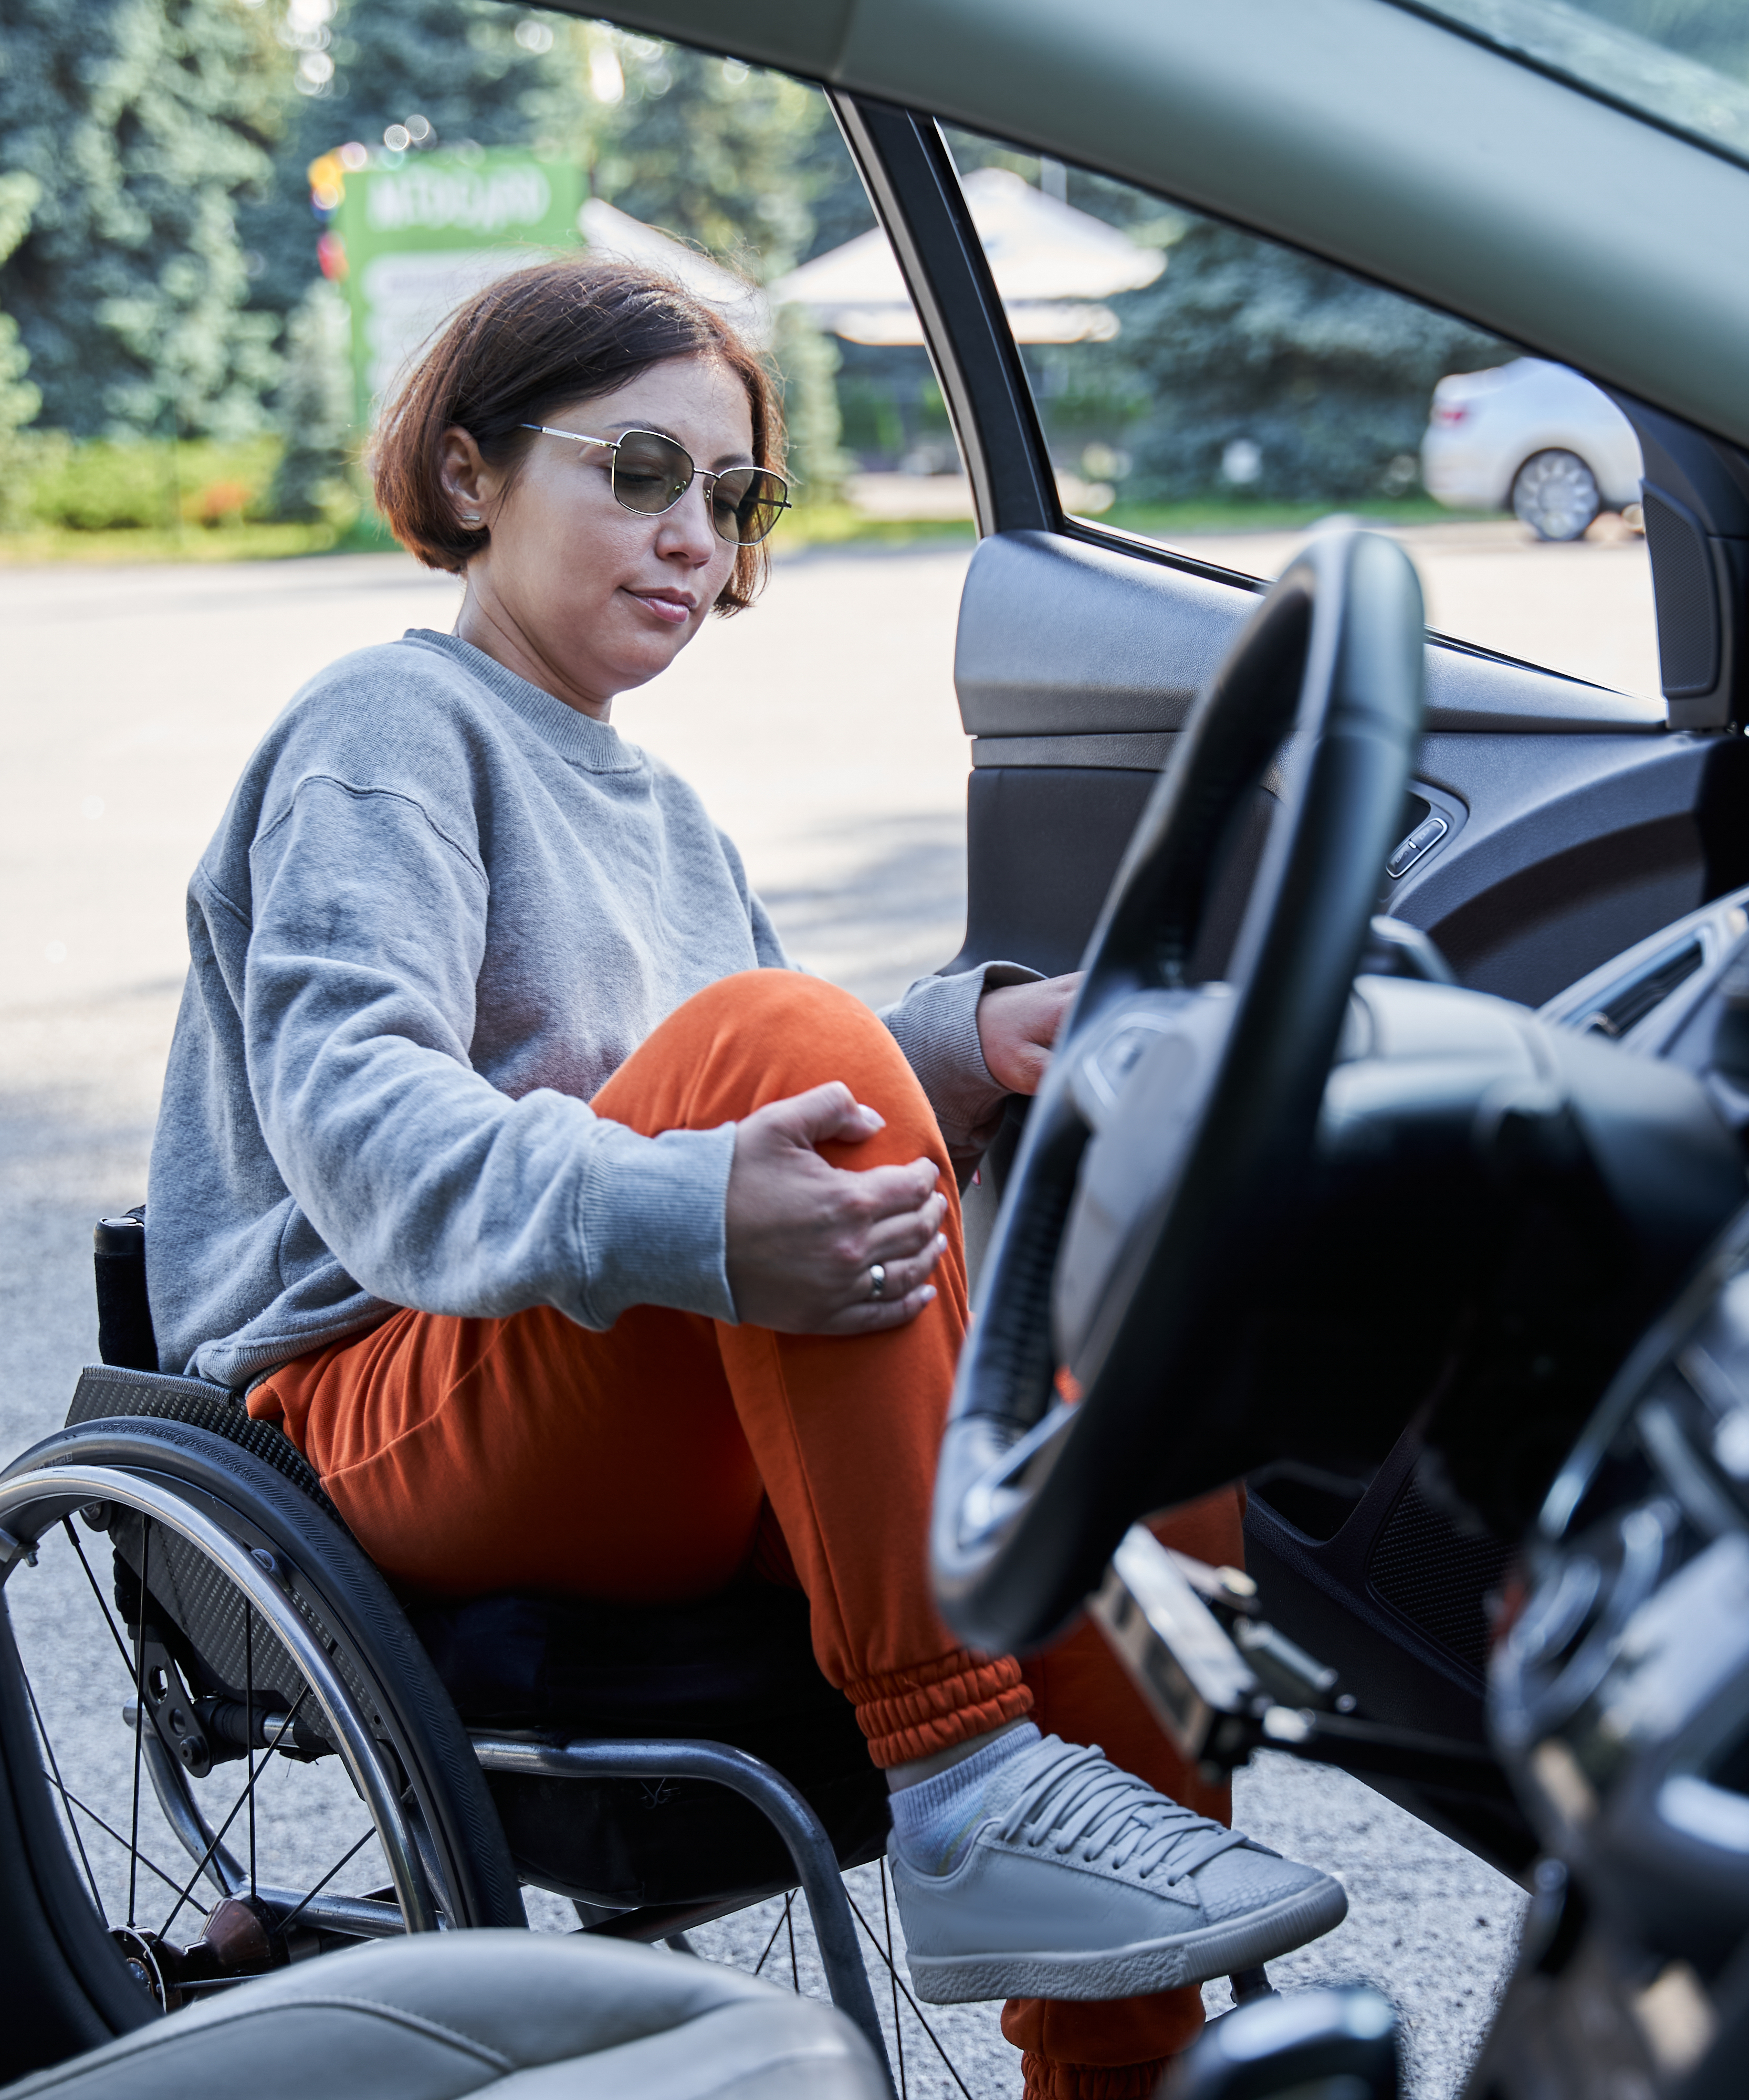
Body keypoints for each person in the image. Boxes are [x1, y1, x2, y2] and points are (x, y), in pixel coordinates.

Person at [148, 255, 1343, 2098]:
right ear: (469, 476)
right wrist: (691, 1204)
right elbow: (366, 1126)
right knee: (781, 1045)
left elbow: (773, 1104)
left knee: (1109, 1458)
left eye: (732, 496)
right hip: (386, 1394)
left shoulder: (660, 807)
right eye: (637, 472)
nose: (693, 536)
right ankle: (956, 1776)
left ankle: (1124, 2057)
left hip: (624, 1363)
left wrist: (969, 1042)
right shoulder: (385, 732)